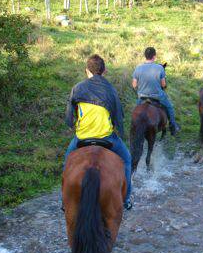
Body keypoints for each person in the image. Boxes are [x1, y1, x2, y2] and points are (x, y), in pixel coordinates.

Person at [64, 54, 133, 210]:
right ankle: (126, 199)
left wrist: (75, 124)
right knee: (127, 159)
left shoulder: (77, 88)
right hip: (106, 137)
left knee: (67, 160)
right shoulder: (111, 90)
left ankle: (65, 199)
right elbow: (119, 117)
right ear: (104, 71)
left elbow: (70, 116)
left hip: (82, 138)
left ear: (86, 70)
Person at [132, 47, 181, 135]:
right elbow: (163, 85)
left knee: (135, 112)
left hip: (142, 96)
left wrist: (141, 88)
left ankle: (133, 129)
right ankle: (173, 126)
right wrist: (164, 86)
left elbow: (134, 85)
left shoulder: (138, 68)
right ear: (154, 57)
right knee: (169, 107)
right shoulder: (159, 68)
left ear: (145, 56)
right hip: (158, 96)